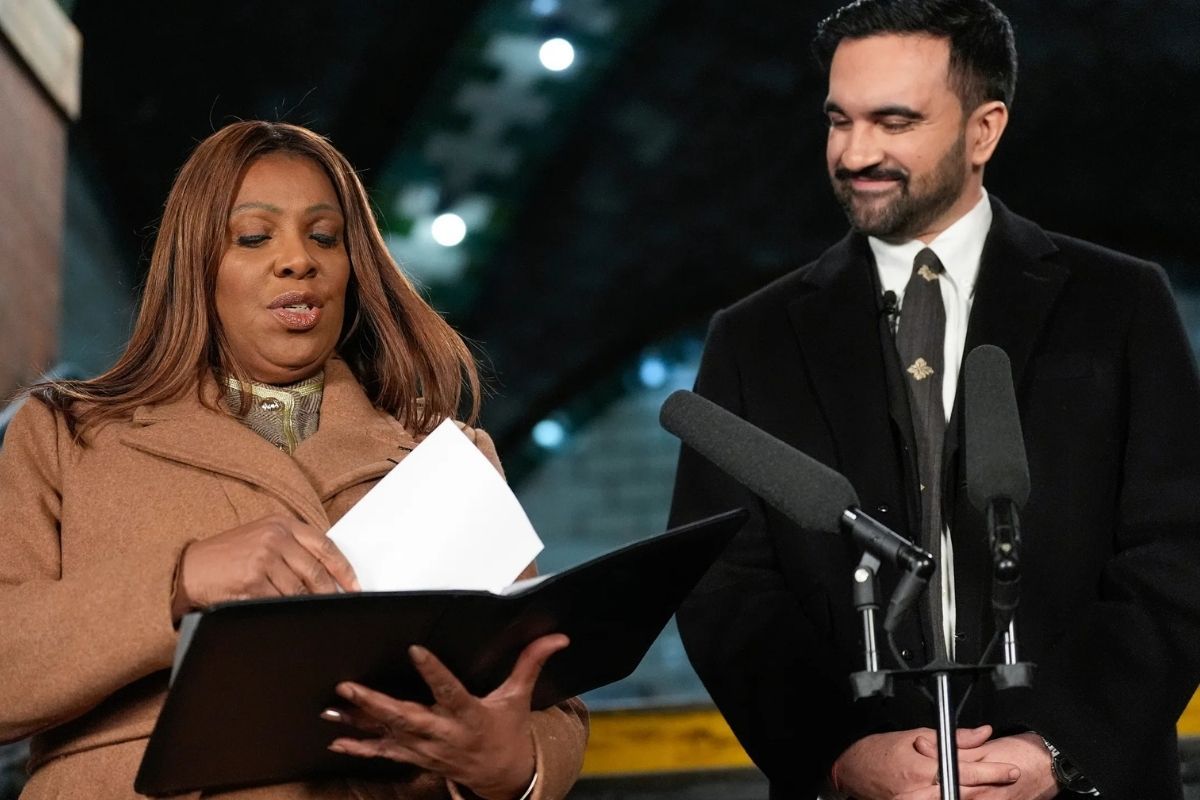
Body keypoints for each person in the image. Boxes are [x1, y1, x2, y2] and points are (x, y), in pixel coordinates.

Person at [669, 1, 1200, 798]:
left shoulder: (1120, 304)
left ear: (983, 130)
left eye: (893, 121)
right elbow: (725, 587)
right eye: (838, 120)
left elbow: (1179, 553)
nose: (855, 152)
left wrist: (1062, 745)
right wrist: (842, 753)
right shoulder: (753, 338)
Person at [0, 120, 588, 800]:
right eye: (254, 237)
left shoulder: (446, 459)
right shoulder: (67, 434)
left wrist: (510, 765)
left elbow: (544, 701)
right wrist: (177, 582)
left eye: (325, 237)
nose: (298, 260)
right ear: (196, 265)